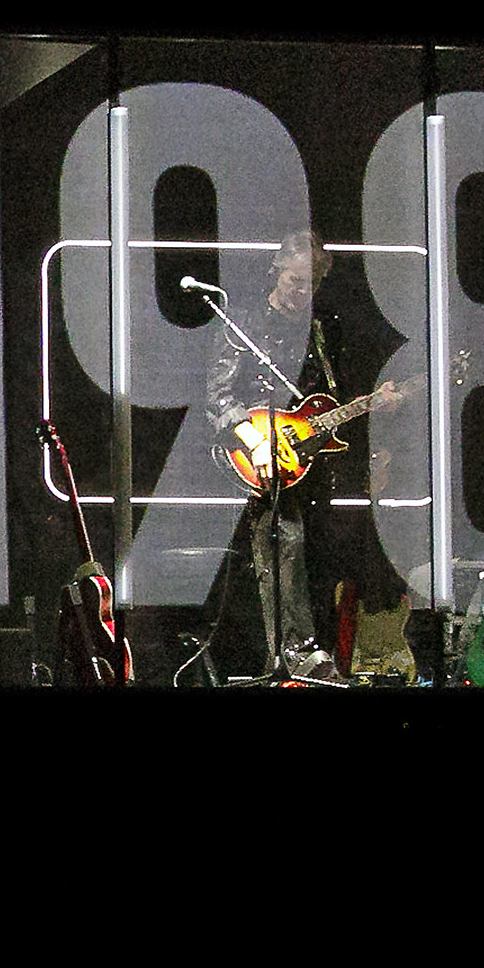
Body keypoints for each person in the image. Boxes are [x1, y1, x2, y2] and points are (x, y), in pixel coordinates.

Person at [202, 231, 390, 684]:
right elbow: (218, 397)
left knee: (319, 553)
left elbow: (324, 402)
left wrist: (376, 402)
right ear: (277, 271)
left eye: (311, 283)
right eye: (295, 280)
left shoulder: (318, 330)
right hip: (253, 455)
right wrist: (255, 440)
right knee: (281, 544)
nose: (302, 291)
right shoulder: (244, 324)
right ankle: (292, 651)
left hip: (308, 464)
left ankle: (316, 654)